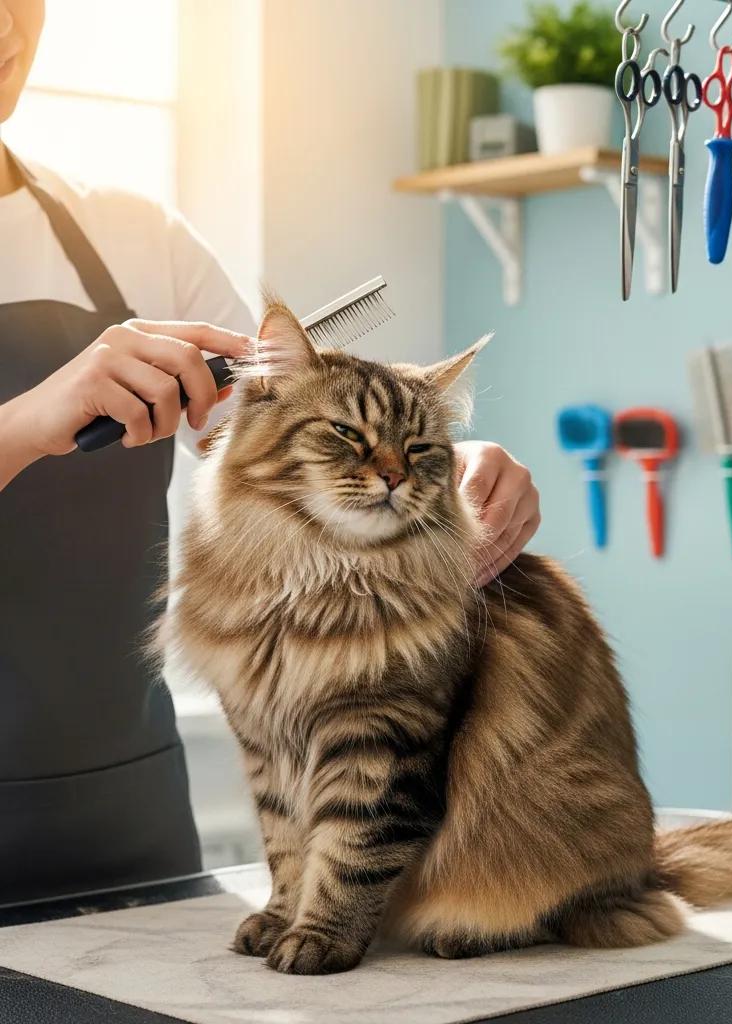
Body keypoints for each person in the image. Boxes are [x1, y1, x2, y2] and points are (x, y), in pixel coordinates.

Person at [0, 0, 540, 903]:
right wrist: (22, 424)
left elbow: (278, 437)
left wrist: (434, 458)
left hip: (129, 819)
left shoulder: (138, 234)